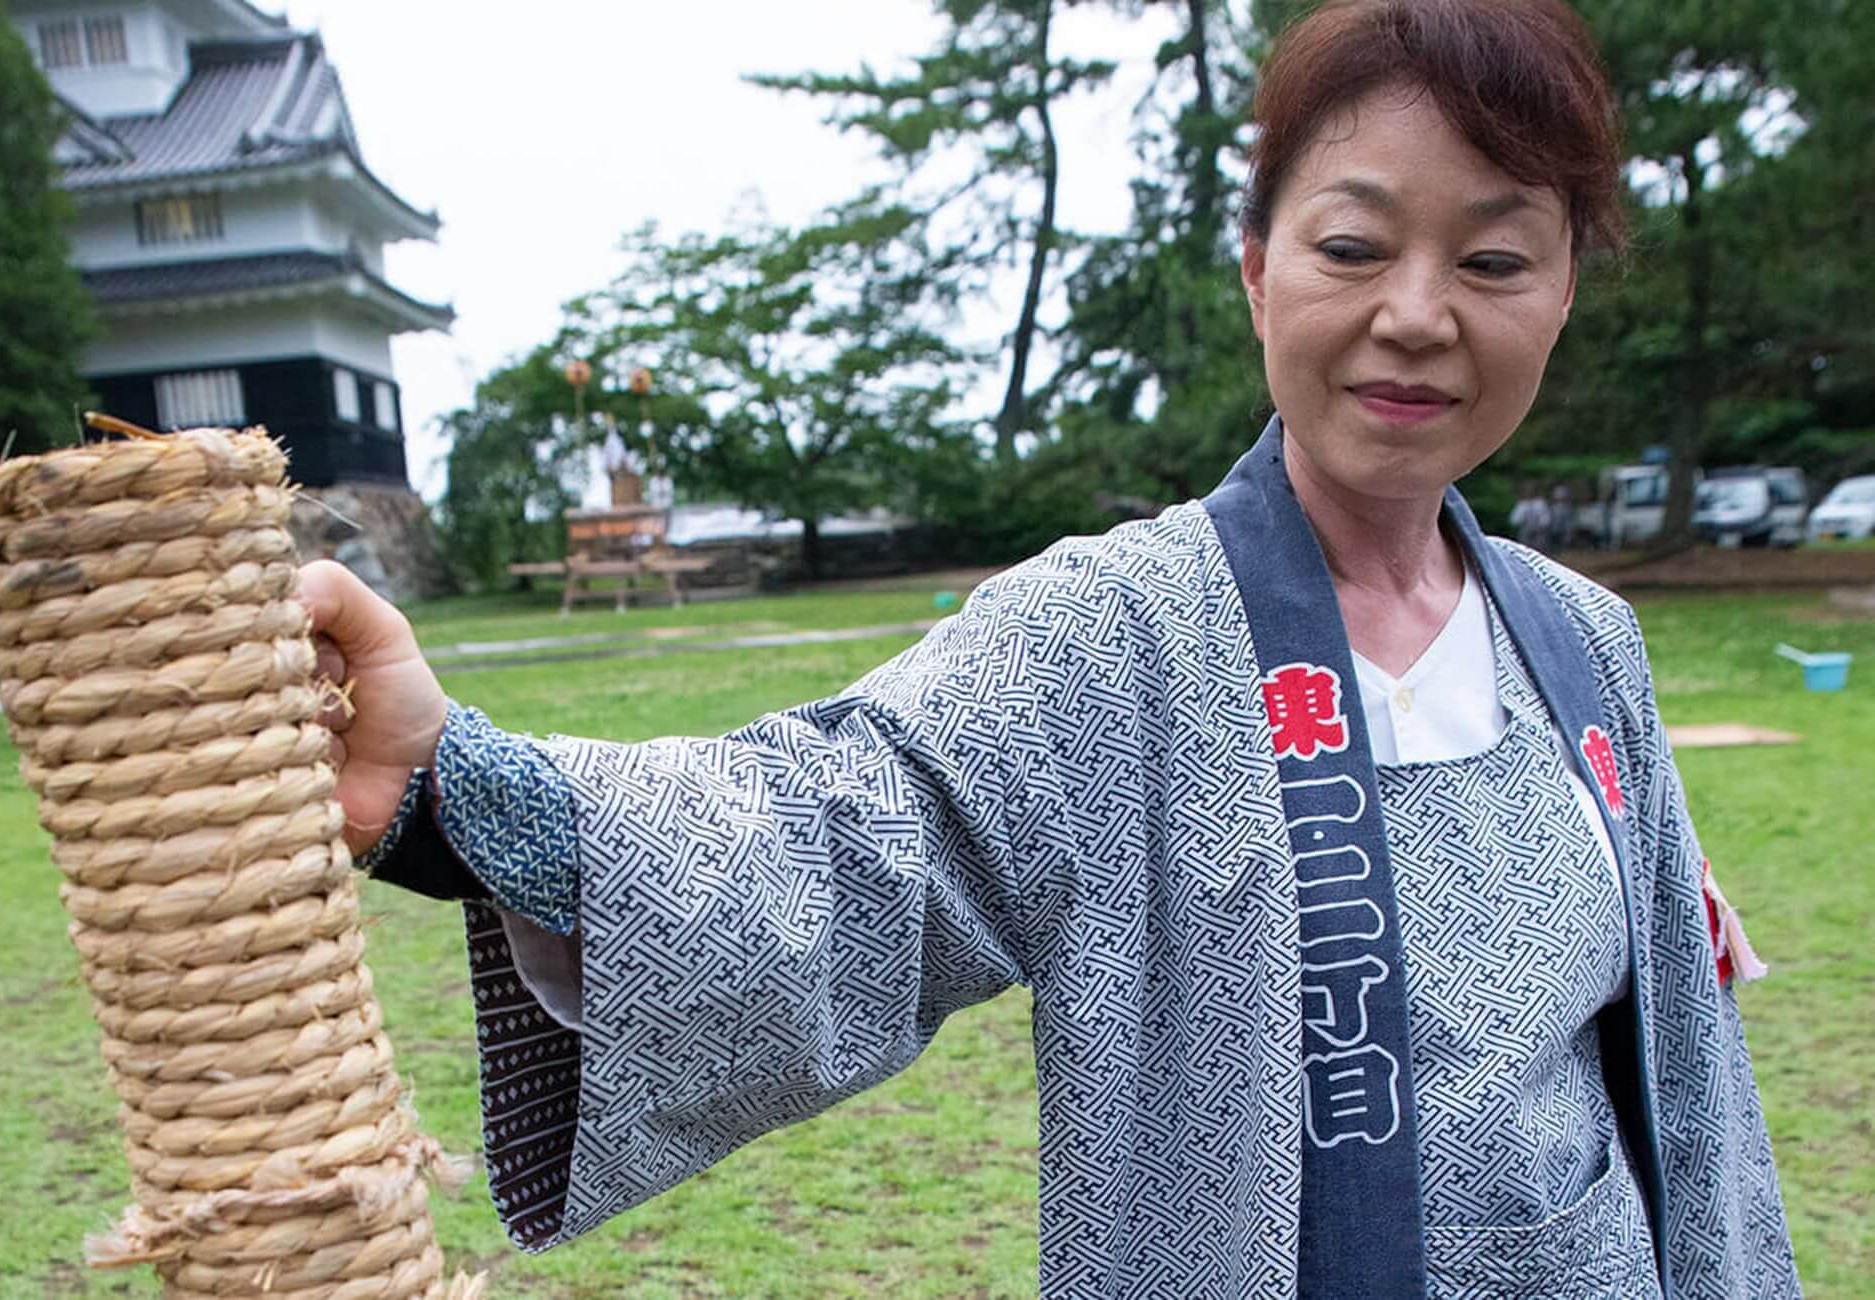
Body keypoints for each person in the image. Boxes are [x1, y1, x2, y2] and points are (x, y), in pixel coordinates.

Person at [297, 1, 1799, 1294]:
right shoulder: (1121, 634)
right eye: (1355, 244)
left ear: (1561, 296)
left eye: (1494, 260)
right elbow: (840, 841)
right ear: (1258, 269)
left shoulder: (1585, 645)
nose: (1416, 316)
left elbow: (1684, 1082)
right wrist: (457, 781)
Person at [1510, 482, 1553, 552]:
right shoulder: (1521, 504)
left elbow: (1546, 518)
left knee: (1540, 549)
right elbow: (1514, 520)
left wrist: (1541, 526)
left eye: (1532, 490)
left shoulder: (1541, 503)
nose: (1530, 492)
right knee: (1523, 549)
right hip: (1525, 529)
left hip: (1539, 531)